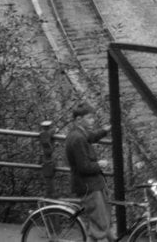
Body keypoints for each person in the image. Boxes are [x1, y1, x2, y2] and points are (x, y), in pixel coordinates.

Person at [65, 103, 113, 241]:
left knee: (102, 221)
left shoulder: (79, 133)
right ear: (79, 120)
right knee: (101, 225)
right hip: (89, 186)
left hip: (93, 185)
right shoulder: (78, 138)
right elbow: (84, 167)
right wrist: (99, 164)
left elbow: (91, 137)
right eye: (90, 118)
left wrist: (105, 130)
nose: (93, 121)